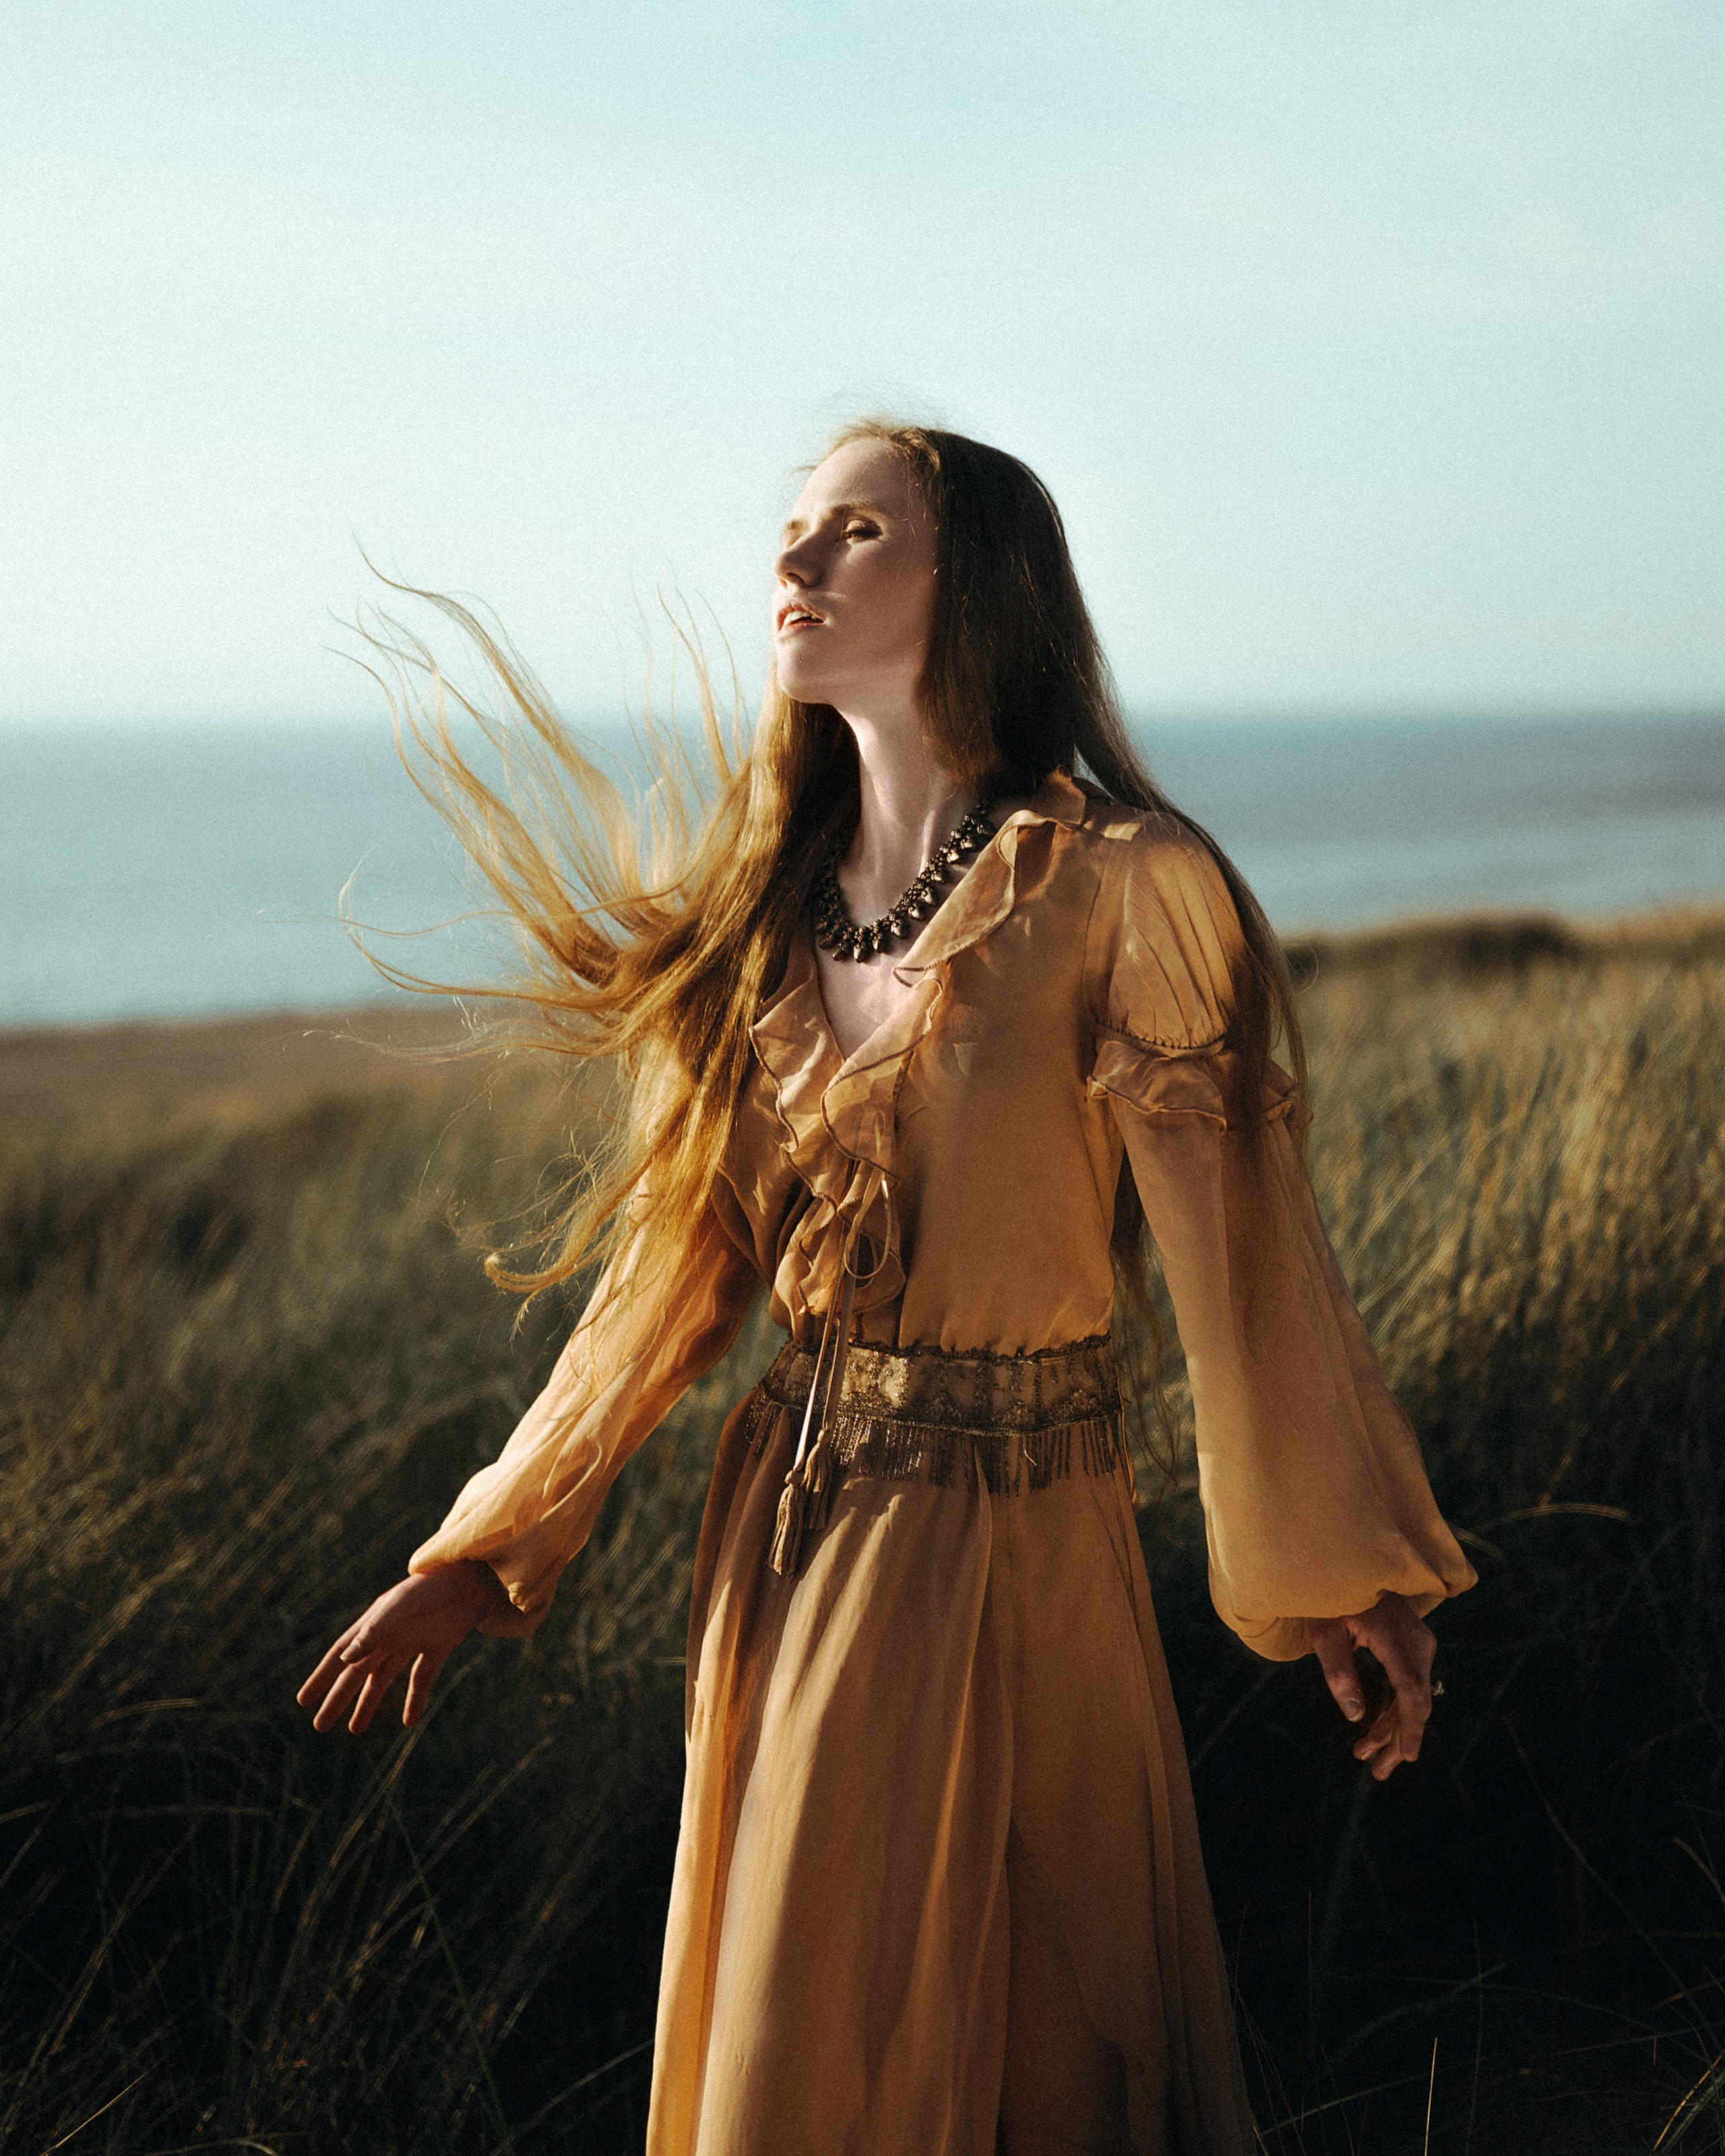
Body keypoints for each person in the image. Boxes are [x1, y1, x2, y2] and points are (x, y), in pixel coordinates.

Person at [300, 422, 1476, 2155]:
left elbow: (1245, 1259)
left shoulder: (1126, 884)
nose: (793, 563)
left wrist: (1337, 1573)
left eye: (853, 531)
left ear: (976, 583)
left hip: (1031, 1540)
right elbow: (665, 1282)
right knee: (804, 2040)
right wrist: (491, 1545)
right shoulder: (753, 921)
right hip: (795, 1549)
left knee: (1050, 2058)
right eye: (791, 528)